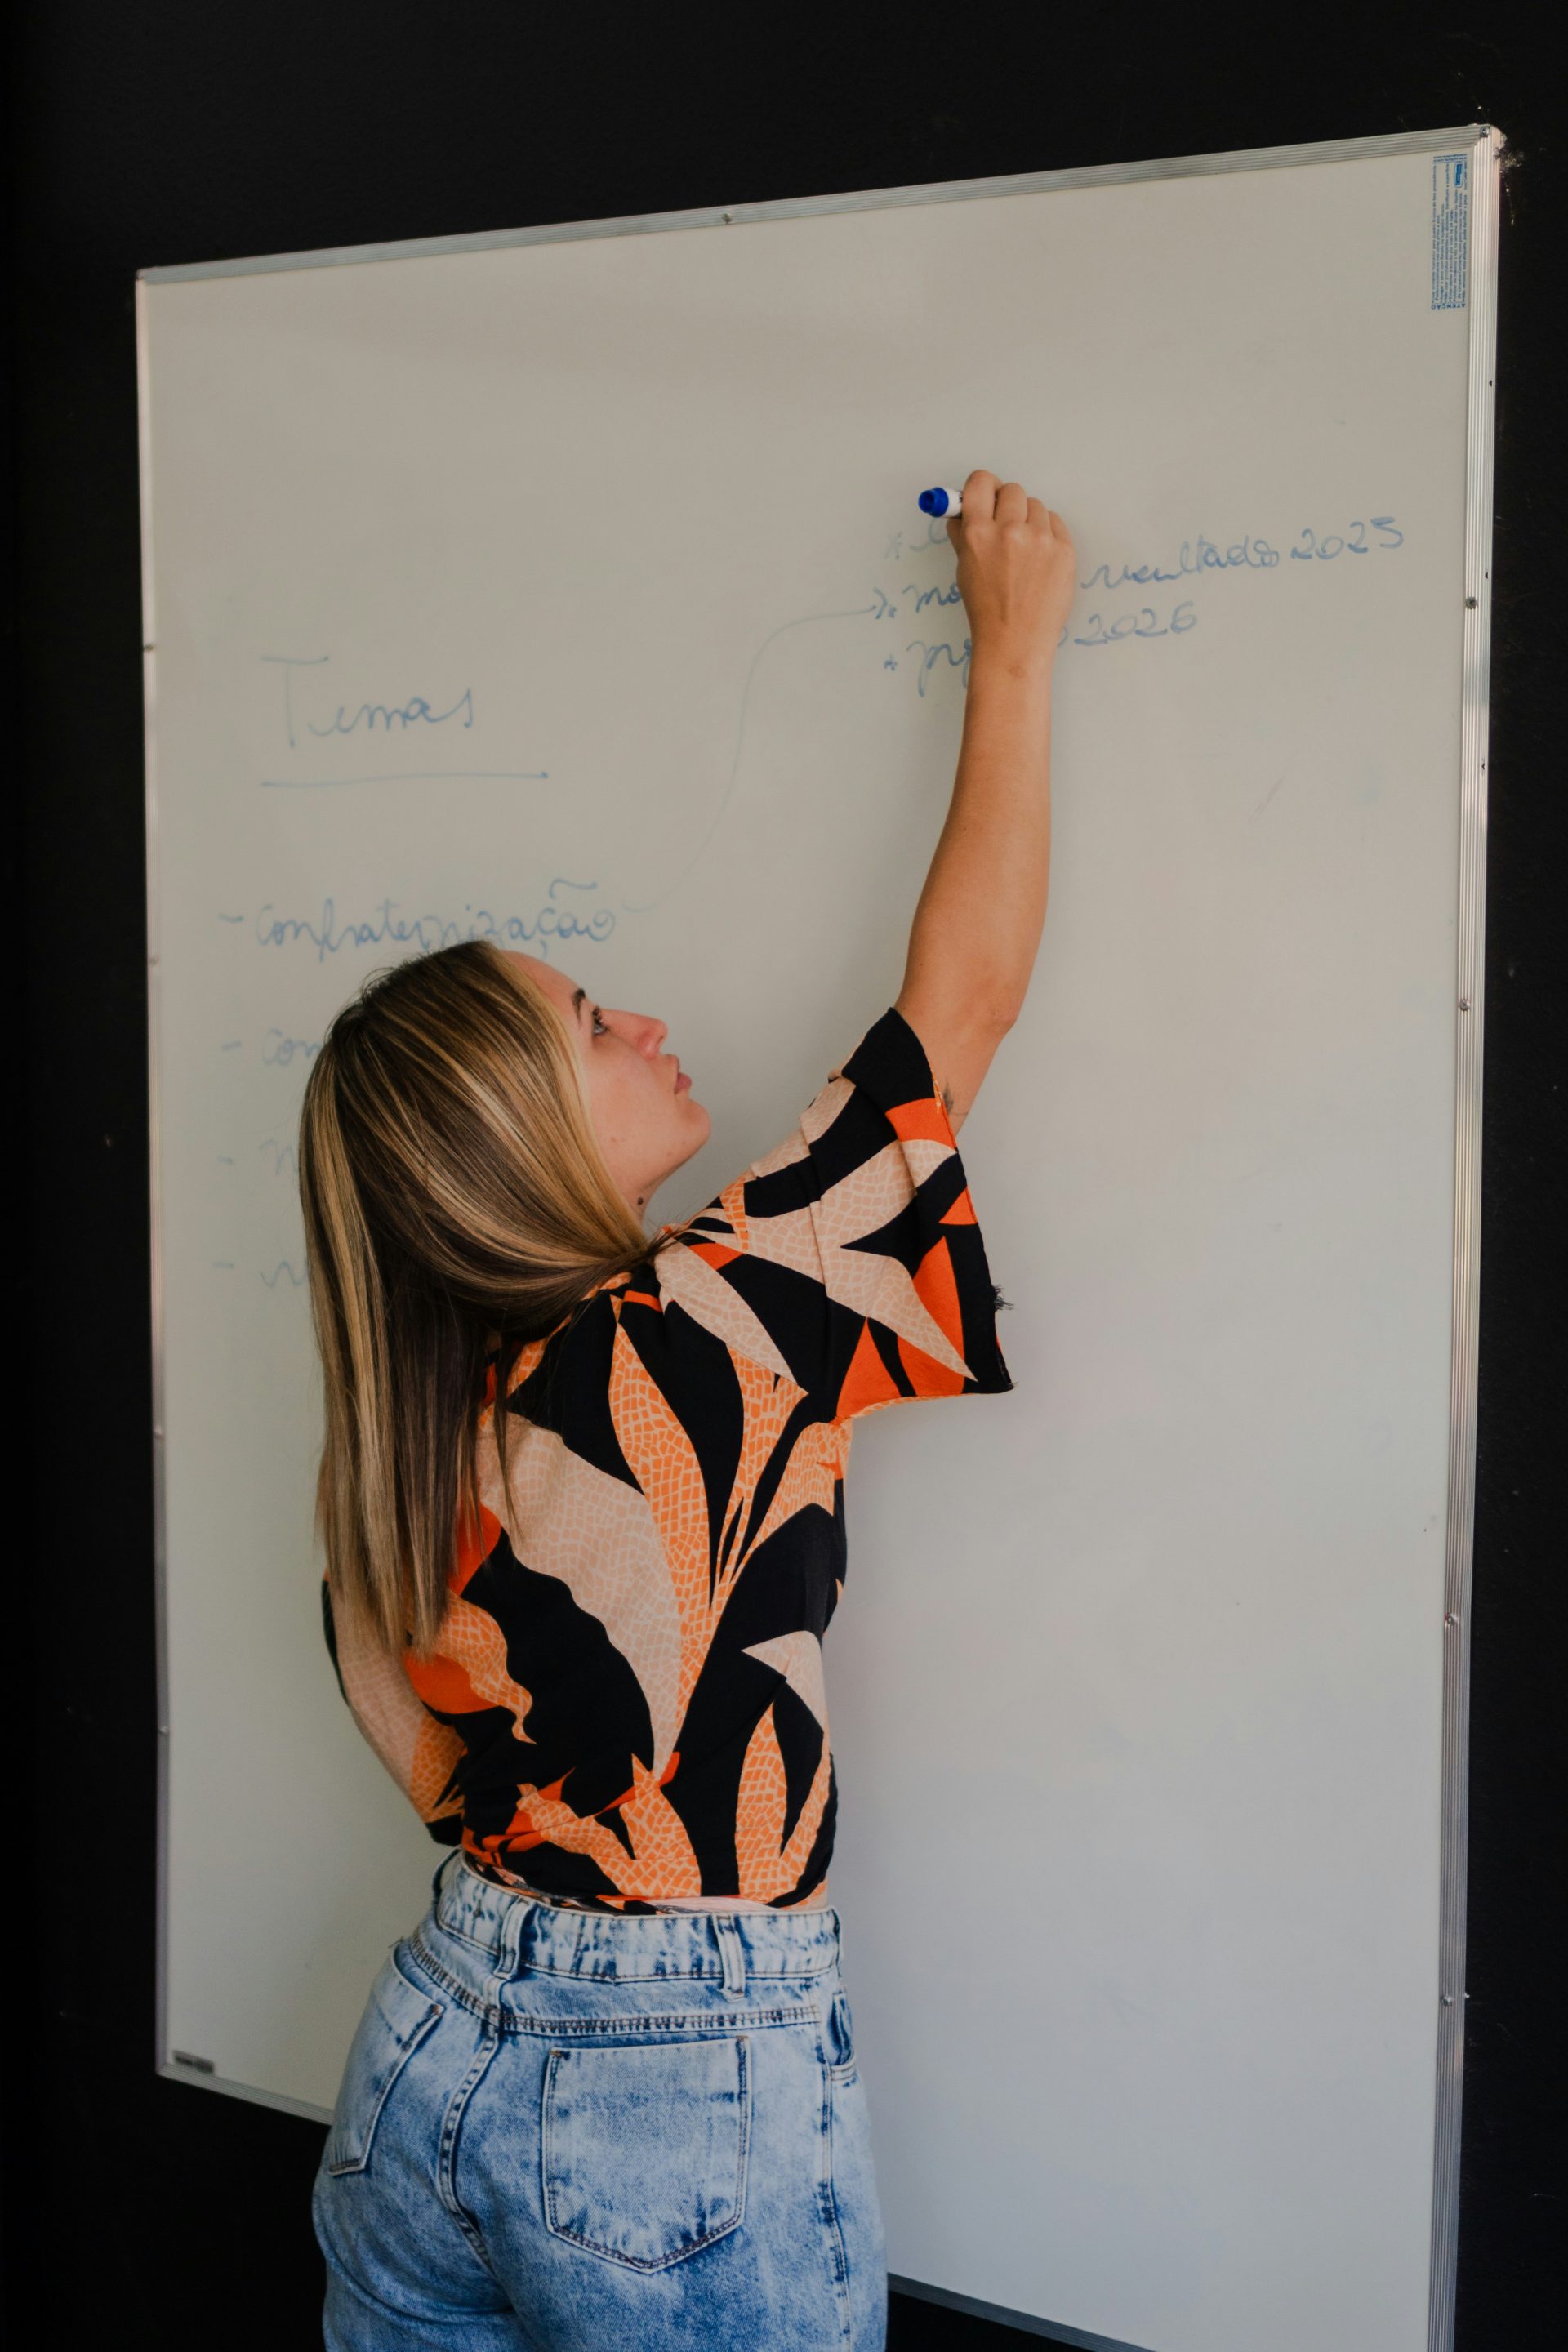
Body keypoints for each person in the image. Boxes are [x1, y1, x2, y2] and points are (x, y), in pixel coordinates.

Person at [302, 469, 1076, 2351]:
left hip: (431, 2052)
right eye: (589, 1023)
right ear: (520, 1137)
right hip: (672, 2086)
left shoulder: (412, 1411)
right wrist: (1017, 648)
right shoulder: (712, 1320)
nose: (643, 1025)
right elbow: (955, 1011)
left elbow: (380, 1671)